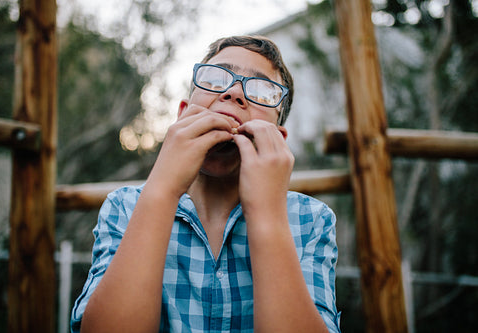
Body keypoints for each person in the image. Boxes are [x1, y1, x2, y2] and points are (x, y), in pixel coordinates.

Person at [71, 35, 340, 333]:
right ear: (183, 114)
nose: (235, 93)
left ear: (279, 139)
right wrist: (162, 189)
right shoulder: (125, 206)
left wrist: (266, 212)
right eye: (215, 79)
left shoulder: (311, 220)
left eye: (263, 92)